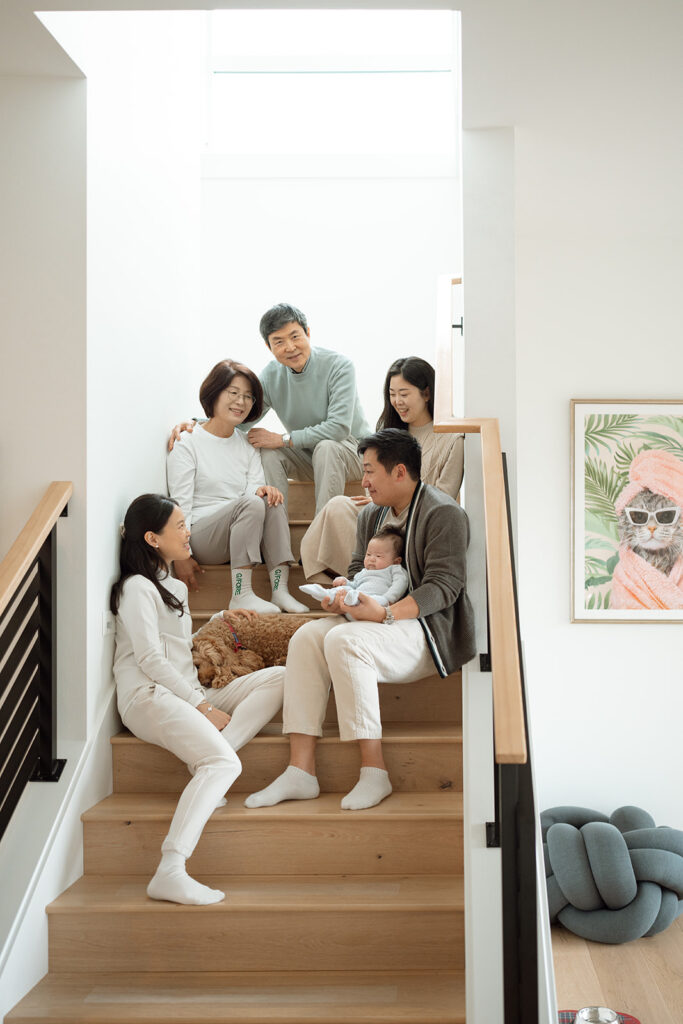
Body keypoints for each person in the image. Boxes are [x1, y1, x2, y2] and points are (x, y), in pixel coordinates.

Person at [245, 428, 476, 813]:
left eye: (370, 472)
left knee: (341, 642)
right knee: (305, 637)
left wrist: (384, 612)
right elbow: (357, 569)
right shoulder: (371, 514)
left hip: (425, 630)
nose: (364, 481)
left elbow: (445, 586)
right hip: (372, 621)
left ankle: (374, 771)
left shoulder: (444, 513)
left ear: (400, 471)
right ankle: (300, 770)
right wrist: (344, 597)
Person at [111, 494, 285, 905]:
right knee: (224, 763)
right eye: (181, 526)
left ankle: (208, 760)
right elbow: (150, 658)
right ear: (153, 538)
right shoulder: (137, 588)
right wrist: (201, 706)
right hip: (149, 696)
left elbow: (175, 646)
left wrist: (219, 620)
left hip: (186, 690)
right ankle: (170, 869)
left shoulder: (170, 585)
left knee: (281, 676)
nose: (189, 533)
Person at [169, 304, 371, 514]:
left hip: (354, 453)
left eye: (295, 337)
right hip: (310, 458)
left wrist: (283, 439)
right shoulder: (271, 375)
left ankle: (323, 528)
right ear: (269, 346)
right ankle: (276, 527)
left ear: (308, 333)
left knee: (326, 447)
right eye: (279, 341)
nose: (290, 347)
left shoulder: (339, 366)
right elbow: (243, 419)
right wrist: (200, 425)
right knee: (268, 449)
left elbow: (338, 428)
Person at [300, 356, 464, 581]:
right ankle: (350, 583)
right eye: (392, 394)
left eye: (404, 394)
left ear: (426, 393)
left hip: (418, 522)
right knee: (338, 506)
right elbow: (373, 480)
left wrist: (396, 500)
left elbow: (443, 498)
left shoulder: (453, 438)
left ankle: (367, 584)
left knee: (349, 512)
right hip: (384, 514)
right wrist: (378, 499)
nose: (397, 401)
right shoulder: (389, 432)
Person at [167, 359, 307, 614]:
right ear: (214, 393)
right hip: (202, 535)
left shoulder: (248, 443)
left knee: (271, 499)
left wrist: (266, 491)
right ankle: (241, 594)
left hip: (241, 531)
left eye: (248, 397)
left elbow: (254, 491)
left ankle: (279, 589)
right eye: (233, 393)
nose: (241, 402)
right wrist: (181, 554)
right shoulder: (188, 441)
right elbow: (180, 502)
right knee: (254, 501)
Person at [300, 527, 409, 610]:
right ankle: (326, 594)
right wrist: (345, 582)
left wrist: (388, 599)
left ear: (396, 561)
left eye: (378, 556)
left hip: (377, 601)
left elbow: (400, 584)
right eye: (368, 554)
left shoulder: (394, 569)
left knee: (359, 596)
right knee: (345, 590)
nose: (371, 559)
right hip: (357, 596)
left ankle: (352, 599)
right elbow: (355, 584)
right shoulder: (364, 572)